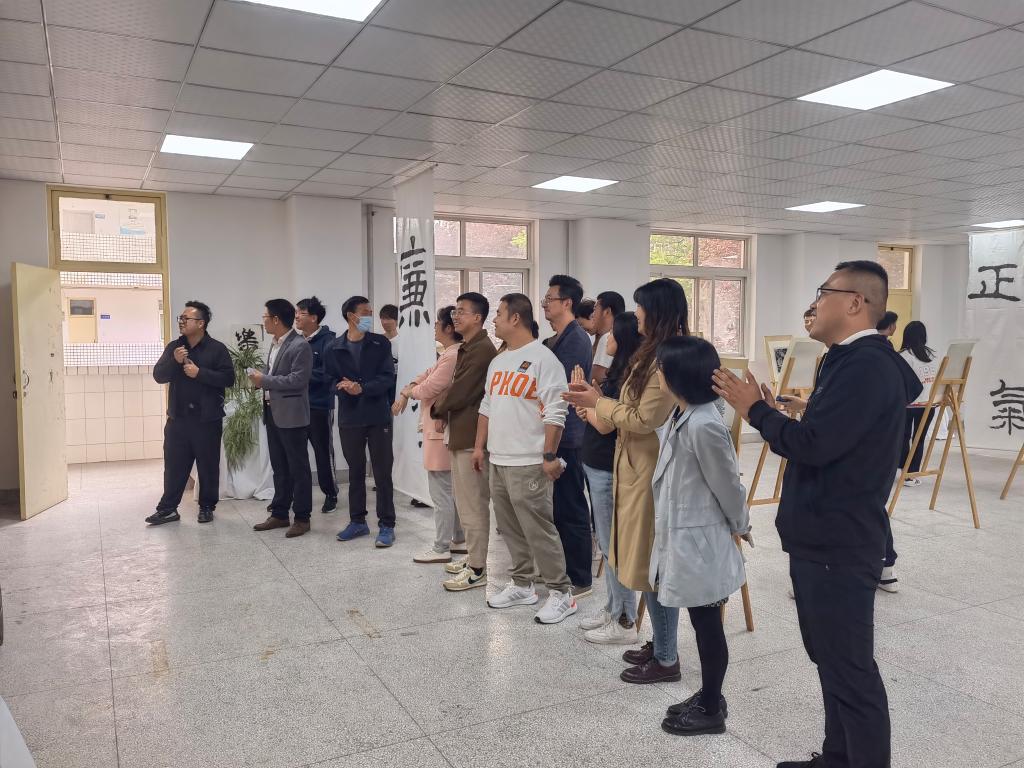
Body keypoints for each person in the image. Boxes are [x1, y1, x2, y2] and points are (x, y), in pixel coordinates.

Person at [712, 260, 921, 768]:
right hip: (825, 533)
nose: (812, 305)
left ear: (855, 303)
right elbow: (838, 432)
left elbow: (814, 445)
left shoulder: (866, 364)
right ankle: (837, 756)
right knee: (831, 660)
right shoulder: (850, 360)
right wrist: (790, 412)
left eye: (823, 293)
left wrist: (755, 411)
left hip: (839, 539)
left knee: (850, 668)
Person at [563, 278, 684, 681]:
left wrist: (597, 402)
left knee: (650, 562)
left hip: (650, 469)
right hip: (632, 465)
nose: (638, 315)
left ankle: (666, 656)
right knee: (638, 558)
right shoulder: (651, 355)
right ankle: (659, 643)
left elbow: (643, 418)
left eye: (643, 308)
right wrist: (598, 401)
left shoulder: (668, 359)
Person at [651, 336, 750, 736]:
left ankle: (711, 707)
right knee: (702, 622)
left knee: (708, 626)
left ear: (678, 374)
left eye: (661, 368)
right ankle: (709, 695)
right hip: (686, 538)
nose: (657, 373)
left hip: (701, 543)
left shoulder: (705, 423)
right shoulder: (684, 413)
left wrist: (741, 524)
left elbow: (728, 484)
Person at [478, 293, 577, 624]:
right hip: (499, 459)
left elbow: (556, 411)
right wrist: (480, 447)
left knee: (539, 529)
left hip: (530, 460)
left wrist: (549, 455)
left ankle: (561, 592)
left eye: (498, 314)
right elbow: (487, 406)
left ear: (515, 318)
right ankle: (522, 585)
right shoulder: (499, 361)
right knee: (509, 527)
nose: (494, 320)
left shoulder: (543, 360)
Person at [575, 311, 642, 644]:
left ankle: (625, 620)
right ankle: (613, 608)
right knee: (606, 542)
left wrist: (587, 405)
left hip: (606, 467)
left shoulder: (628, 376)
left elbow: (604, 424)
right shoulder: (617, 372)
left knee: (614, 546)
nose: (608, 338)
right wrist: (589, 403)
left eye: (613, 333)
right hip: (596, 463)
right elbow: (600, 412)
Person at [430, 292, 498, 592]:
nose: (455, 316)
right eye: (455, 311)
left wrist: (437, 408)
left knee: (473, 505)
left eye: (461, 311)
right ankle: (473, 557)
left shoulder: (482, 349)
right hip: (461, 431)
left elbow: (459, 391)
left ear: (477, 318)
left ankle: (478, 568)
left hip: (471, 436)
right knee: (467, 502)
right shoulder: (470, 346)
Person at [147, 301, 234, 526]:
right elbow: (158, 375)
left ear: (201, 323)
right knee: (174, 467)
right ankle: (168, 509)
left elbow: (228, 379)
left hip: (207, 420)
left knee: (208, 466)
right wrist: (175, 362)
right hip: (178, 420)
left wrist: (200, 373)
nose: (182, 322)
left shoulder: (217, 349)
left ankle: (207, 507)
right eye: (181, 318)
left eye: (187, 318)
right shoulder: (174, 348)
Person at [393, 305, 465, 564]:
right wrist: (410, 388)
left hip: (439, 430)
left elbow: (430, 386)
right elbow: (423, 377)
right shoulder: (448, 354)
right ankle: (458, 538)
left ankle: (441, 546)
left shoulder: (452, 355)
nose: (434, 327)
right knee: (449, 490)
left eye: (437, 322)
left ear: (449, 327)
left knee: (441, 492)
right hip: (438, 428)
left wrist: (408, 392)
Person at [327, 296, 398, 548]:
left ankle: (387, 524)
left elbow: (388, 377)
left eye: (370, 312)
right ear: (351, 316)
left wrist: (362, 388)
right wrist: (342, 387)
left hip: (378, 416)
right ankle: (357, 521)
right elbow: (328, 380)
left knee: (382, 472)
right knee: (355, 472)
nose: (370, 316)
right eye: (365, 312)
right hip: (350, 417)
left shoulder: (380, 343)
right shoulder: (334, 347)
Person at [542, 275, 595, 597]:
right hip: (559, 432)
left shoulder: (575, 339)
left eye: (550, 299)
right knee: (560, 507)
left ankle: (580, 577)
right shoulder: (558, 338)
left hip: (569, 435)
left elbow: (560, 389)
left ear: (567, 303)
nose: (545, 304)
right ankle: (563, 569)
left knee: (572, 507)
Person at [251, 299, 314, 538]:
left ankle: (302, 518)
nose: (264, 321)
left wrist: (265, 380)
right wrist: (261, 381)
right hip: (273, 412)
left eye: (265, 317)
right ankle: (279, 513)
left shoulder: (300, 345)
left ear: (276, 319)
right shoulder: (276, 343)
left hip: (292, 415)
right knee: (279, 467)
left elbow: (298, 380)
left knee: (298, 469)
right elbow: (276, 375)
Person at [295, 296, 339, 513]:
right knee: (296, 453)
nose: (296, 317)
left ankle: (331, 493)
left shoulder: (329, 341)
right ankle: (297, 496)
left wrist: (300, 376)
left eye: (301, 313)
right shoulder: (294, 340)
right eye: (296, 313)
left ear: (313, 318)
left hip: (319, 405)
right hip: (295, 406)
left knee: (323, 452)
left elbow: (329, 374)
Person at [898, 321, 939, 487]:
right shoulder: (932, 355)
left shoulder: (903, 356)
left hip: (907, 404)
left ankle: (904, 469)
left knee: (903, 437)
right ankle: (911, 473)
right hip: (928, 405)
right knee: (919, 439)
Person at [592, 291, 626, 384]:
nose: (592, 314)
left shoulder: (607, 338)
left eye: (595, 309)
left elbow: (597, 377)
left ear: (607, 311)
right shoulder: (621, 335)